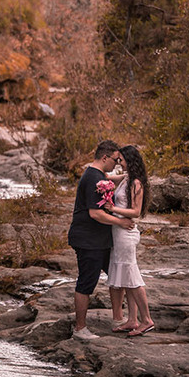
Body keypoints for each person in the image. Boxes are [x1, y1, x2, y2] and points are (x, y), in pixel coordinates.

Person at [68, 140, 135, 340]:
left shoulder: (98, 174)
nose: (117, 163)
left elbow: (109, 178)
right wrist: (120, 222)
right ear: (104, 157)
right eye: (115, 159)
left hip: (101, 239)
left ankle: (118, 318)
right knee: (87, 282)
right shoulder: (92, 178)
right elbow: (96, 214)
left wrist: (128, 176)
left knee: (117, 274)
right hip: (88, 240)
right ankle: (80, 329)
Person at [104, 145, 155, 337]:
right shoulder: (126, 178)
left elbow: (135, 211)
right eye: (117, 160)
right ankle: (132, 320)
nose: (119, 163)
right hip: (118, 233)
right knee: (125, 276)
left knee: (132, 277)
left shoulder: (136, 183)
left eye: (121, 160)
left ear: (130, 160)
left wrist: (112, 208)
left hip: (126, 234)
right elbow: (106, 177)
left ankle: (147, 320)